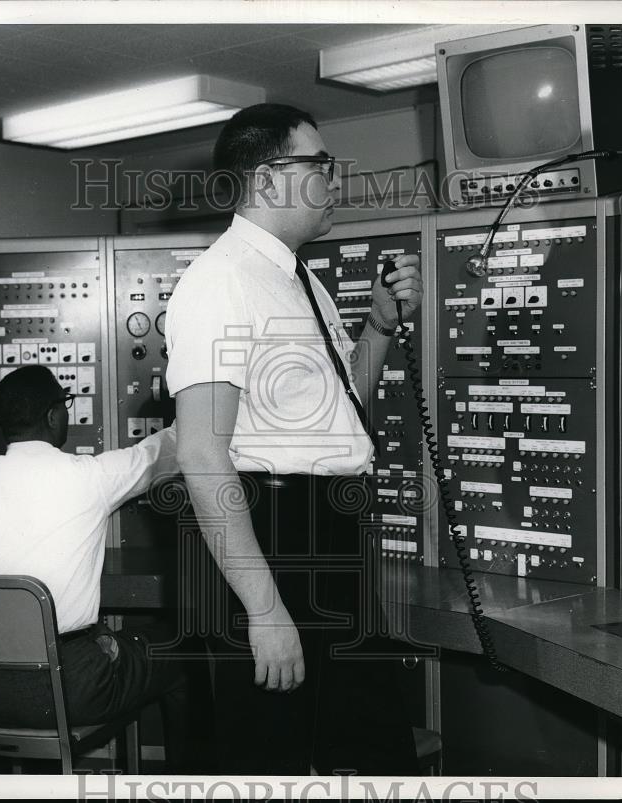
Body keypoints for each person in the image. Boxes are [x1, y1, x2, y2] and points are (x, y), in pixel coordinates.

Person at [165, 103, 423, 775]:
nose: (334, 179)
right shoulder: (217, 282)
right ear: (272, 178)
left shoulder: (300, 278)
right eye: (321, 165)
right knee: (270, 760)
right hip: (274, 538)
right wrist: (265, 604)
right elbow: (200, 450)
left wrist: (382, 327)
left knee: (368, 750)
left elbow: (340, 410)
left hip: (330, 539)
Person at [0, 365, 204, 773]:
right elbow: (159, 453)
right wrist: (198, 405)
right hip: (68, 690)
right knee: (183, 651)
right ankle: (192, 788)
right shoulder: (89, 477)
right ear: (55, 416)